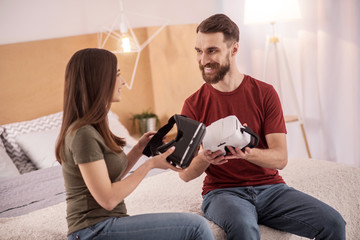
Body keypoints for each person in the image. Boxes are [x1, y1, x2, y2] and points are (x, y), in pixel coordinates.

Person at [179, 14, 346, 240]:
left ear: (234, 49)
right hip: (222, 193)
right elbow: (185, 174)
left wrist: (247, 152)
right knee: (245, 227)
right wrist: (205, 158)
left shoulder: (265, 93)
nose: (203, 60)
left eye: (212, 51)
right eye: (198, 51)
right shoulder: (193, 104)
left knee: (333, 223)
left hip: (272, 189)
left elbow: (280, 158)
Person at [55, 48, 215, 240]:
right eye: (117, 75)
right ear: (98, 80)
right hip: (93, 230)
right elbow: (108, 198)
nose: (123, 82)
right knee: (196, 227)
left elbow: (109, 179)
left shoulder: (93, 127)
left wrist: (139, 149)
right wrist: (150, 165)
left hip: (104, 225)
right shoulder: (83, 134)